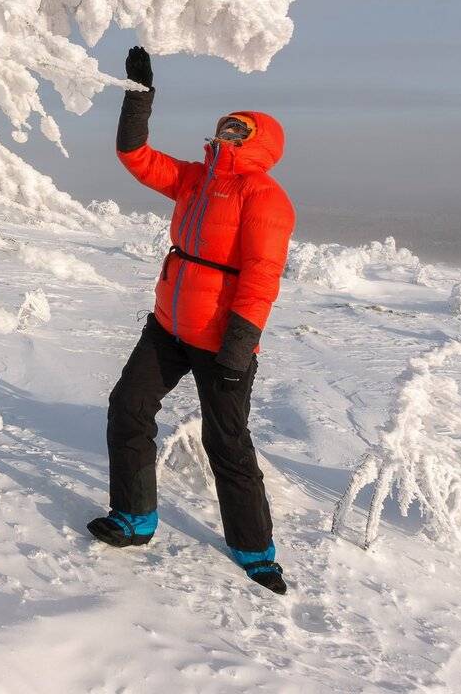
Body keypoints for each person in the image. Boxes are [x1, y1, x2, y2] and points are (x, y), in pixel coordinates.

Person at [88, 46, 296, 595]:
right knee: (128, 408)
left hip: (222, 341)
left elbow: (262, 274)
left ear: (259, 144)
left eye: (237, 131)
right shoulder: (196, 180)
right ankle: (134, 518)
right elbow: (136, 157)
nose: (225, 136)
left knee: (227, 442)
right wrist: (138, 101)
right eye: (224, 128)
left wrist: (239, 346)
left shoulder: (265, 197)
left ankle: (255, 552)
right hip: (169, 324)